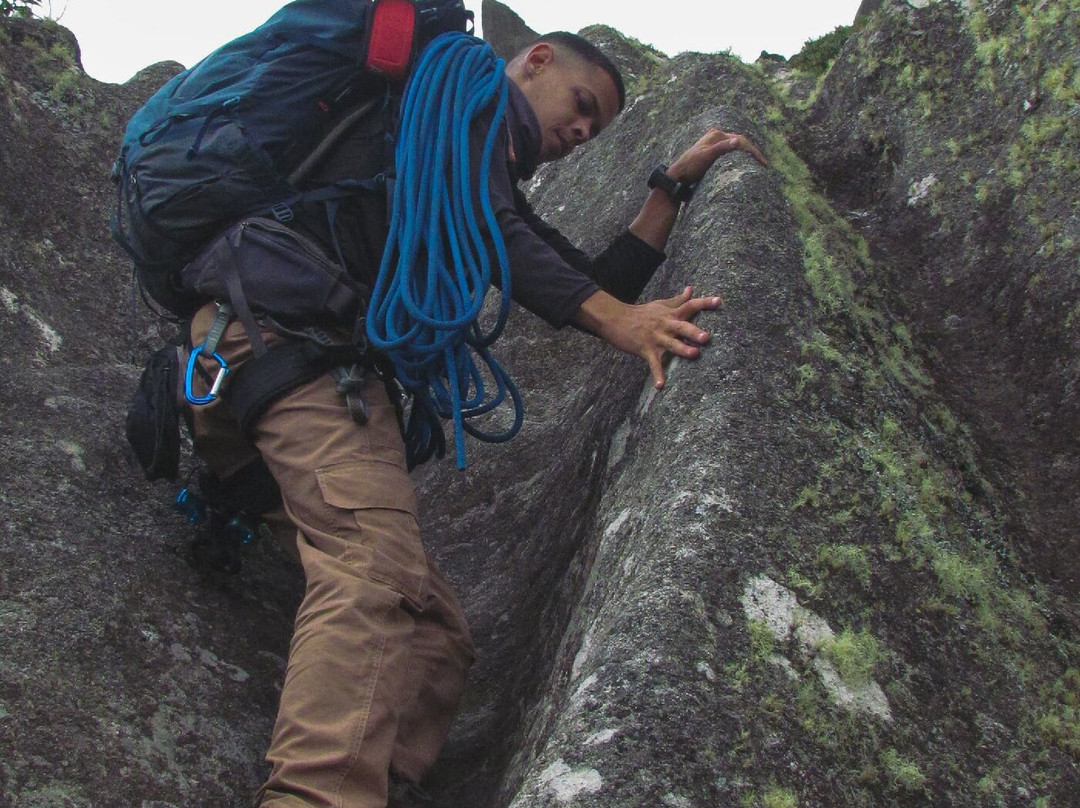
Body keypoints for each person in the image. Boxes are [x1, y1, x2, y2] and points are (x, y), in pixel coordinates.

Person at [182, 28, 767, 808]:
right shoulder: (461, 96)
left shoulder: (475, 162)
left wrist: (671, 189)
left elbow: (585, 275)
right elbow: (513, 241)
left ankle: (387, 782)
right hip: (280, 345)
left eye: (597, 129)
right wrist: (617, 323)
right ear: (535, 60)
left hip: (259, 361)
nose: (582, 132)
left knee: (435, 635)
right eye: (582, 105)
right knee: (376, 572)